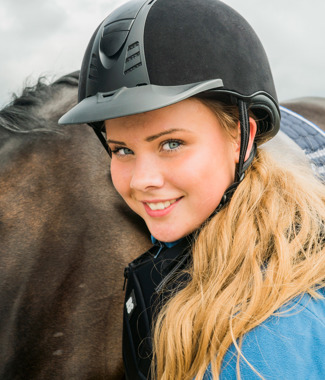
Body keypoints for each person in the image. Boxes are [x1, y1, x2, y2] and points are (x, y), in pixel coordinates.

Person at [59, 0, 325, 379]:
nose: (141, 180)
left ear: (242, 138)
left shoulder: (263, 344)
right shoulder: (190, 250)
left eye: (171, 144)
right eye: (122, 150)